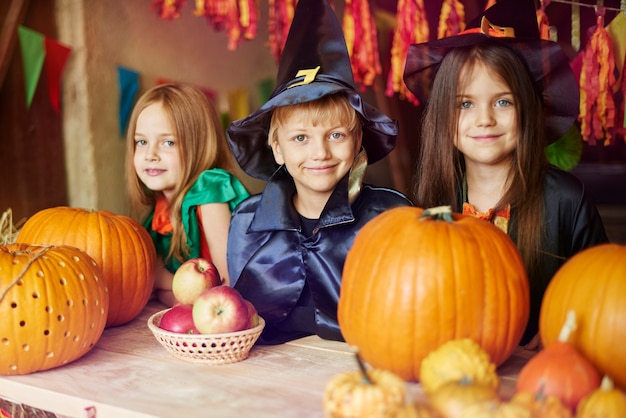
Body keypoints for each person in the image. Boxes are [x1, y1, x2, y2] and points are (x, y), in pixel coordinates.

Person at [403, 0, 609, 349]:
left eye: (503, 101)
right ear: (442, 114)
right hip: (451, 369)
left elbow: (603, 294)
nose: (484, 119)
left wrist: (559, 333)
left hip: (543, 377)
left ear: (528, 106)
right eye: (465, 103)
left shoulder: (567, 201)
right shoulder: (431, 200)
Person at [225, 0, 413, 344]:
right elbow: (239, 324)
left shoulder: (391, 218)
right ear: (277, 148)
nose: (320, 153)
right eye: (300, 138)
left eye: (336, 135)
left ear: (358, 141)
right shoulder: (247, 222)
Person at [125, 83, 250, 307]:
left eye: (168, 142)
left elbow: (229, 289)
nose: (150, 154)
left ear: (198, 145)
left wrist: (162, 278)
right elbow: (170, 300)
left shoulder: (209, 192)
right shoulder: (158, 213)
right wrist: (169, 289)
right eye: (141, 142)